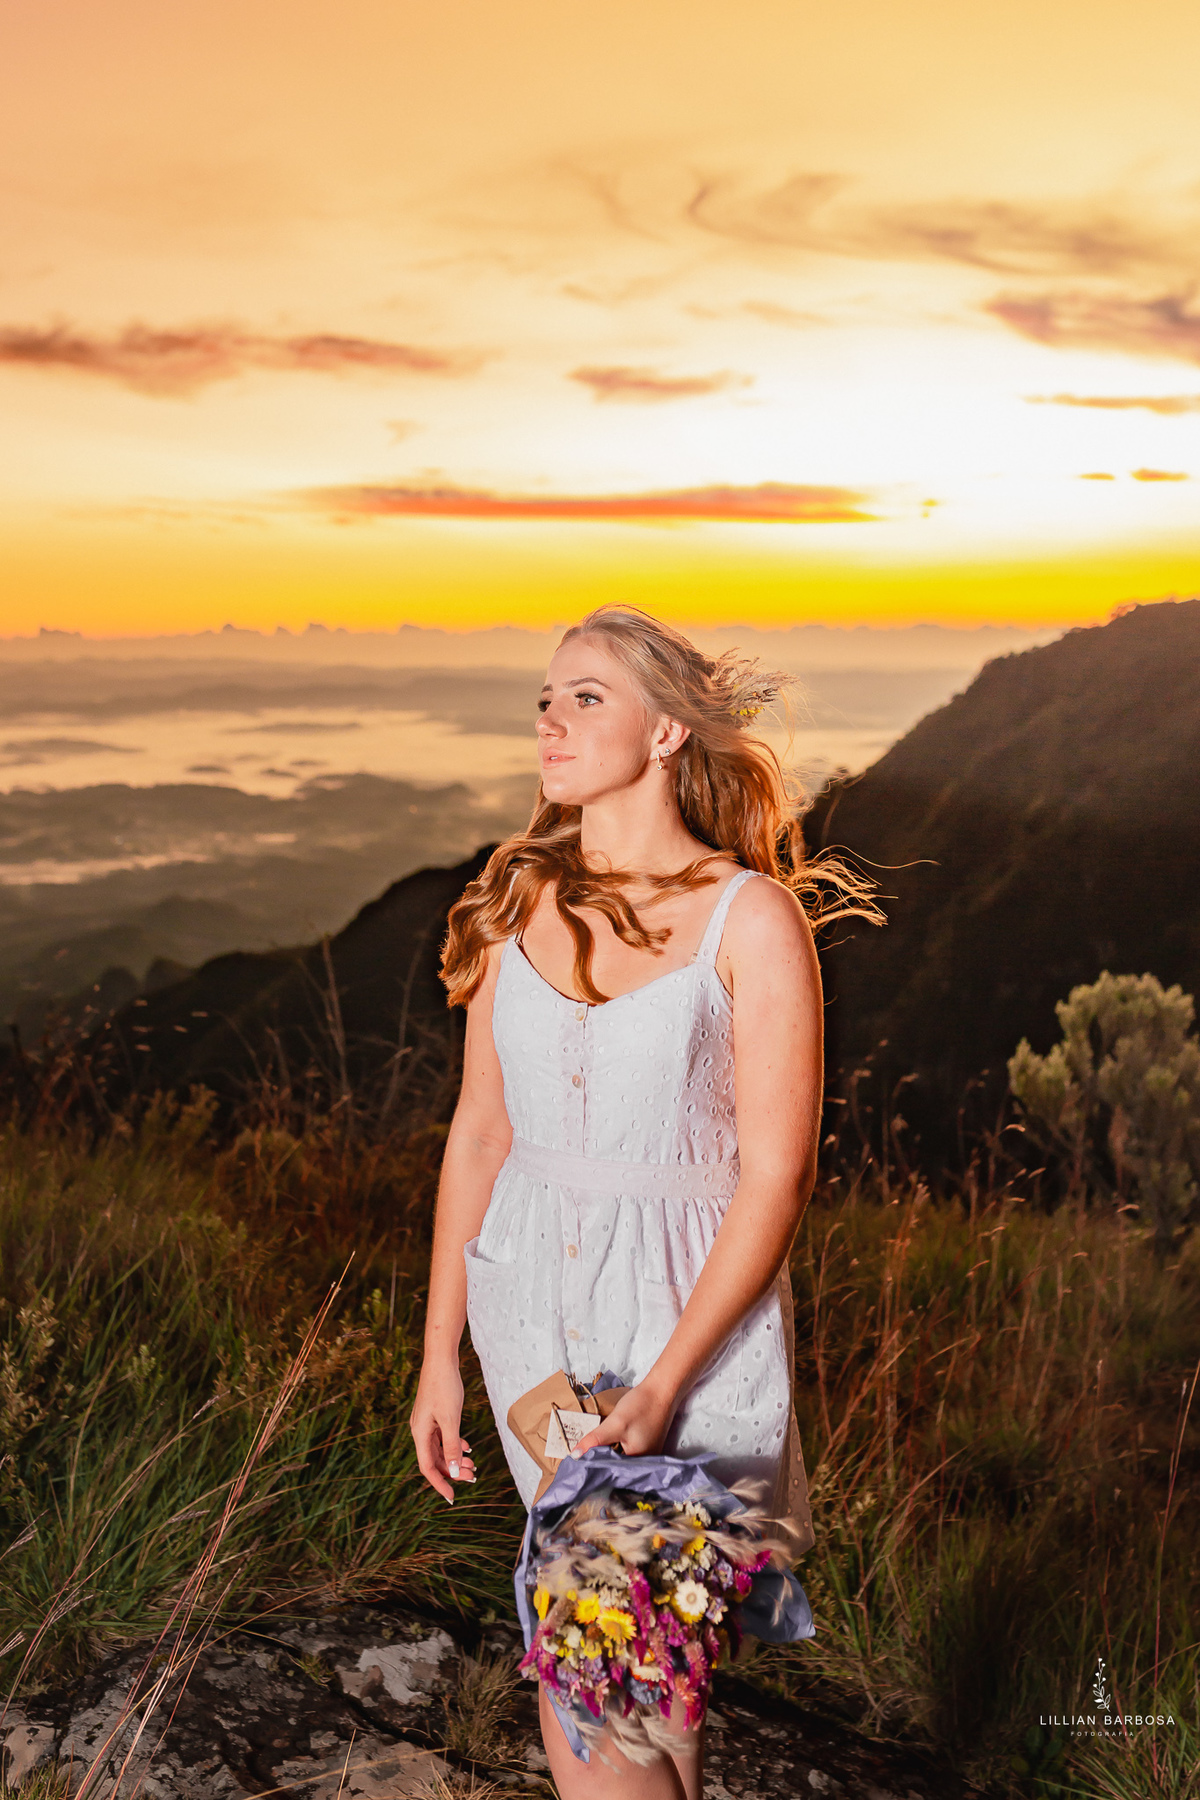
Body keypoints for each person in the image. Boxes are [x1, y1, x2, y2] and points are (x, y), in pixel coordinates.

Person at [411, 605, 875, 1799]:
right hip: (530, 1330)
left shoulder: (750, 919)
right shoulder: (514, 899)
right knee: (635, 1695)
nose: (550, 721)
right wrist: (439, 1354)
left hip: (689, 1339)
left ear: (669, 730)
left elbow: (777, 1177)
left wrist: (664, 1386)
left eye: (586, 698)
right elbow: (482, 1133)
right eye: (546, 699)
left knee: (611, 1694)